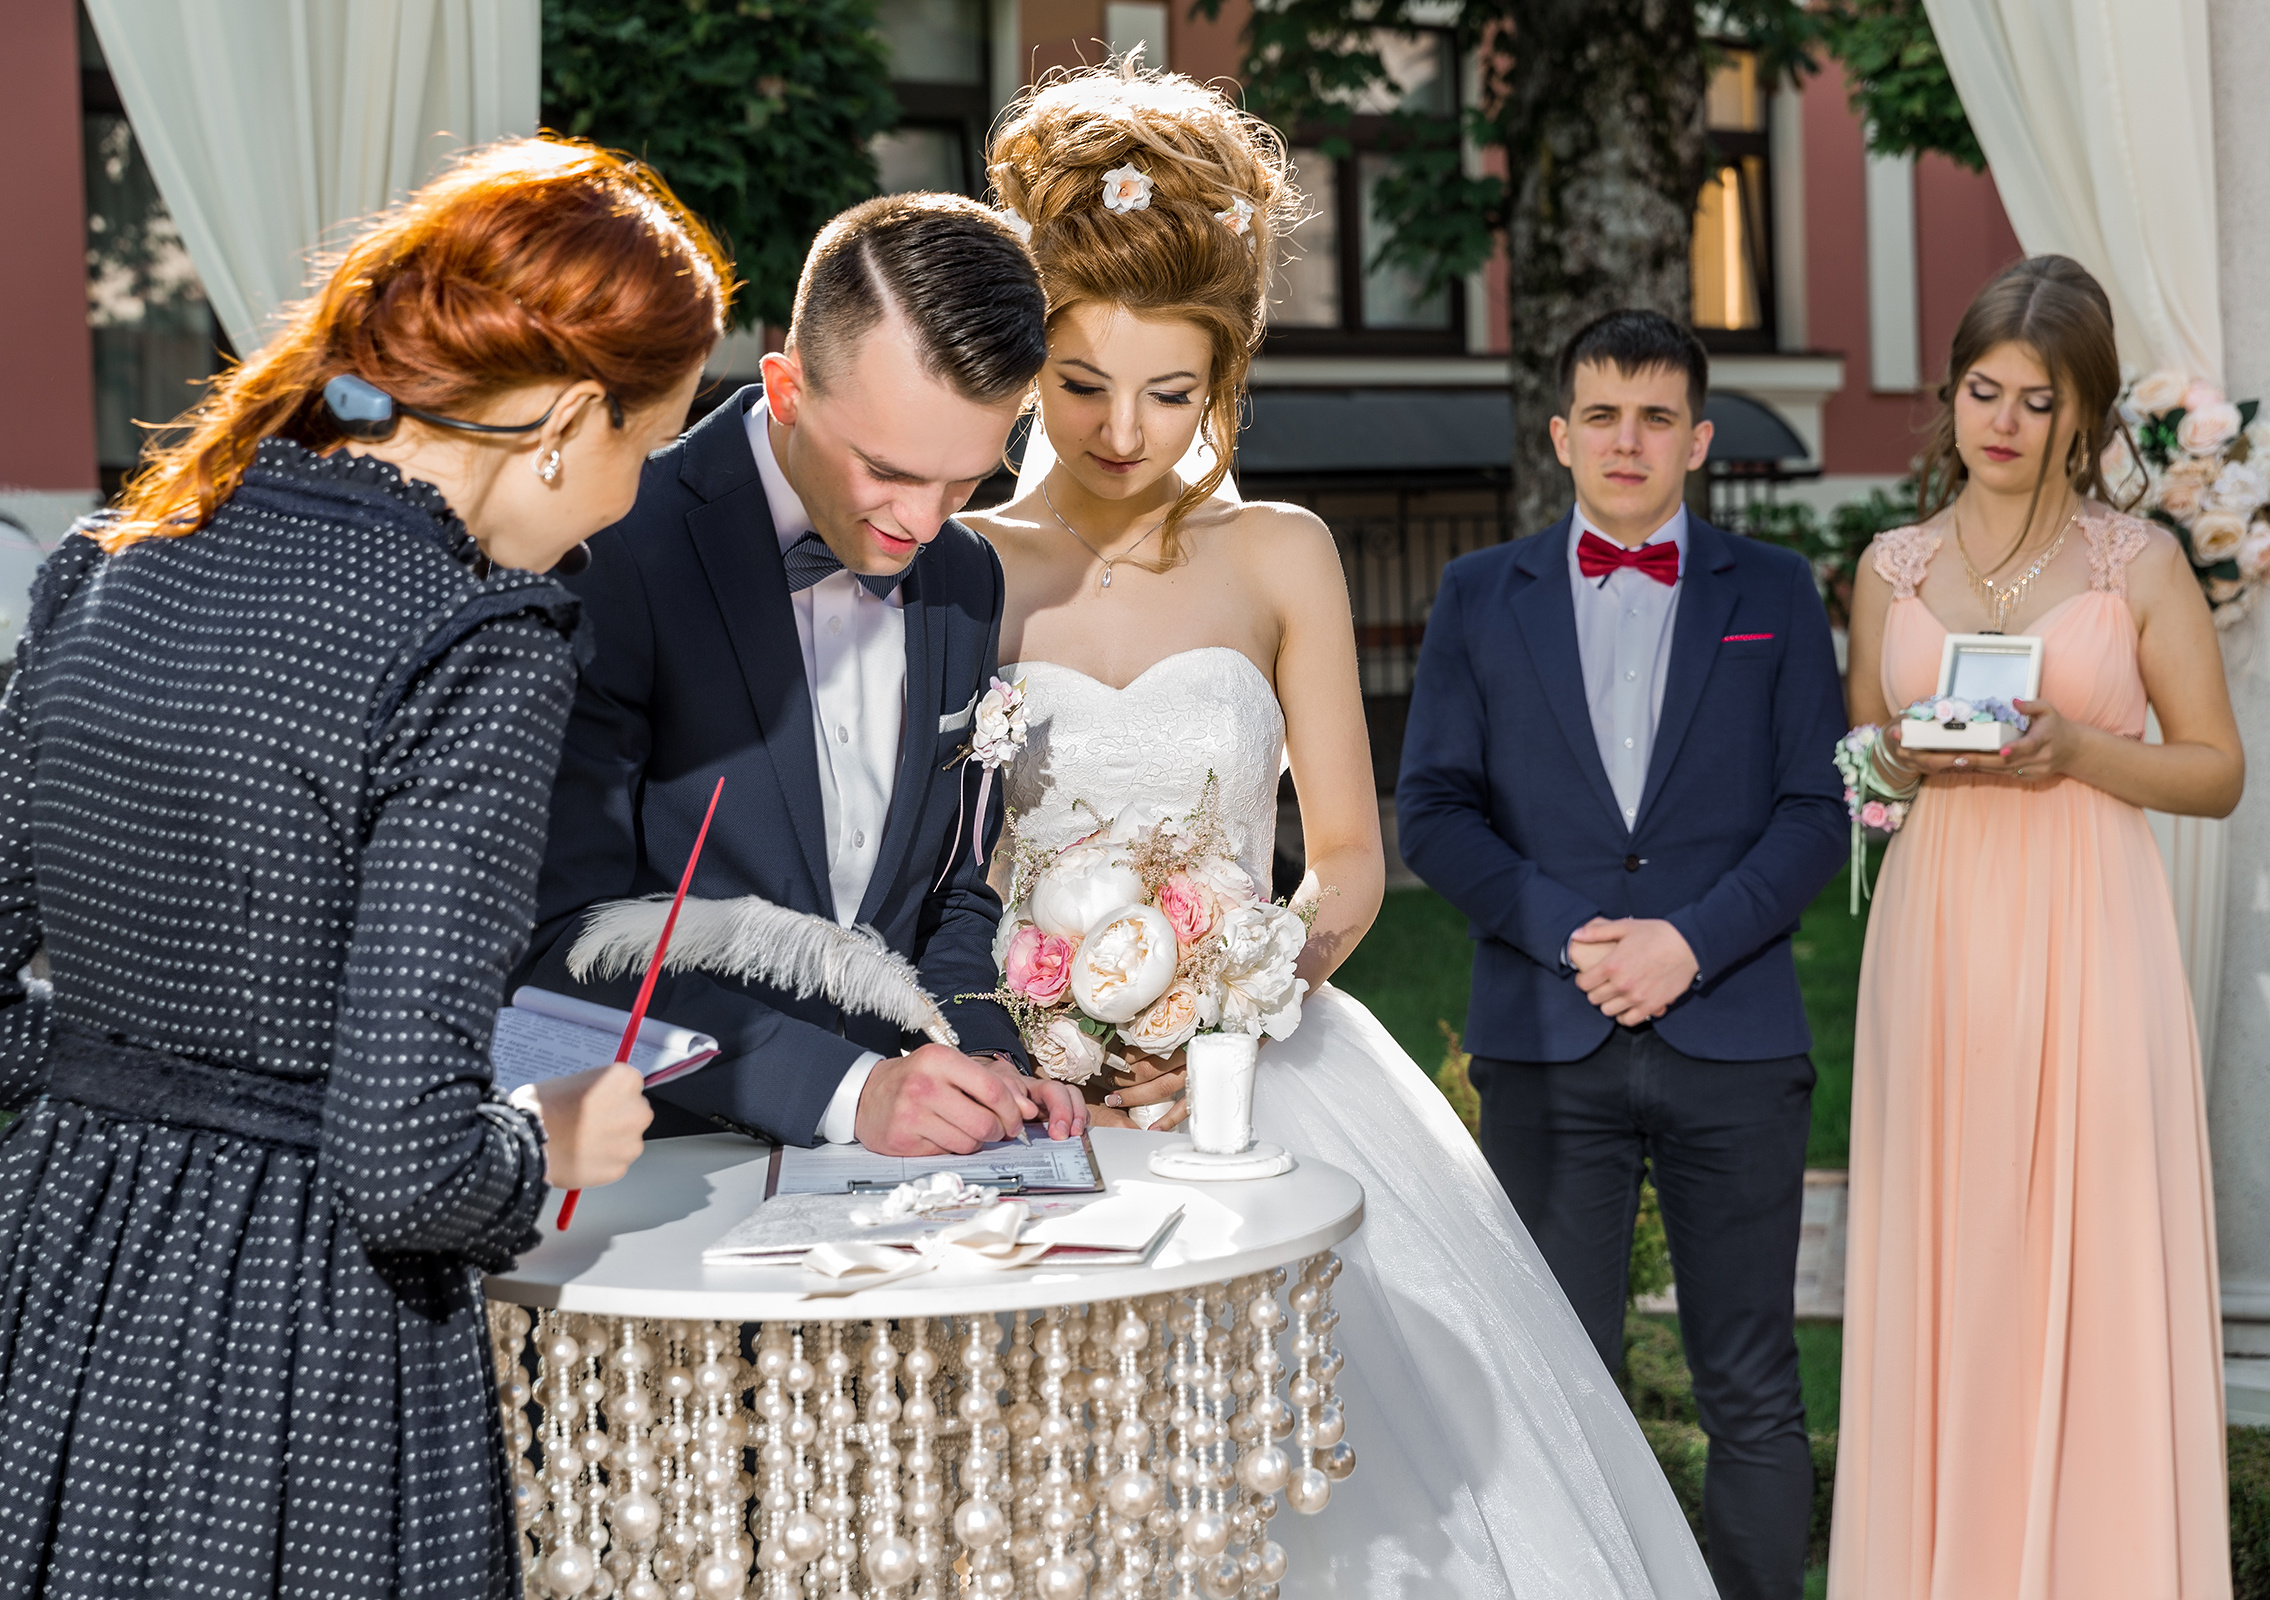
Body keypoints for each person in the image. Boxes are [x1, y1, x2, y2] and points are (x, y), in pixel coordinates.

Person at [960, 65, 1716, 1600]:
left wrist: (1232, 1002)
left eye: (1171, 392)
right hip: (1016, 1093)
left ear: (1225, 375)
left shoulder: (1284, 554)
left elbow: (1353, 861)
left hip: (1253, 1077)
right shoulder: (966, 566)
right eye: (1084, 382)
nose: (1124, 430)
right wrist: (1026, 1031)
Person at [0, 138, 715, 1597]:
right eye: (649, 444)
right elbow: (406, 1169)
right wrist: (549, 1138)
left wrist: (102, 1108)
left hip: (45, 1291)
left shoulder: (111, 562)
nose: (627, 500)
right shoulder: (475, 651)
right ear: (573, 420)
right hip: (288, 1364)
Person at [1396, 309, 1849, 1600]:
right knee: (1556, 1372)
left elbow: (1817, 809)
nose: (1628, 439)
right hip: (1547, 1037)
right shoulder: (1482, 595)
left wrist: (1691, 946)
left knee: (1751, 1383)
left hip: (1735, 1036)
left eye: (1656, 416)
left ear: (1697, 438)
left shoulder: (1770, 593)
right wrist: (1567, 934)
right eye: (1602, 413)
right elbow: (1432, 809)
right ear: (1561, 435)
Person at [1828, 255, 2241, 1599]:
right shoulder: (1890, 568)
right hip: (1937, 931)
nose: (2001, 420)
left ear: (2084, 415)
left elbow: (2217, 771)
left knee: (2095, 1235)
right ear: (1949, 399)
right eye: (1980, 390)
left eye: (2036, 398)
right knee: (1949, 1253)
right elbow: (1865, 775)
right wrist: (1893, 763)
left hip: (2090, 928)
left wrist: (2078, 752)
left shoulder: (2140, 566)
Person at [521, 193, 1085, 1155]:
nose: (921, 522)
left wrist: (983, 1053)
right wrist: (846, 1091)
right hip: (663, 1163)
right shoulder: (613, 550)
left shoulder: (965, 574)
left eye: (964, 484)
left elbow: (949, 888)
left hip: (910, 1185)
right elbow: (560, 938)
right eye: (886, 471)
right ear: (784, 389)